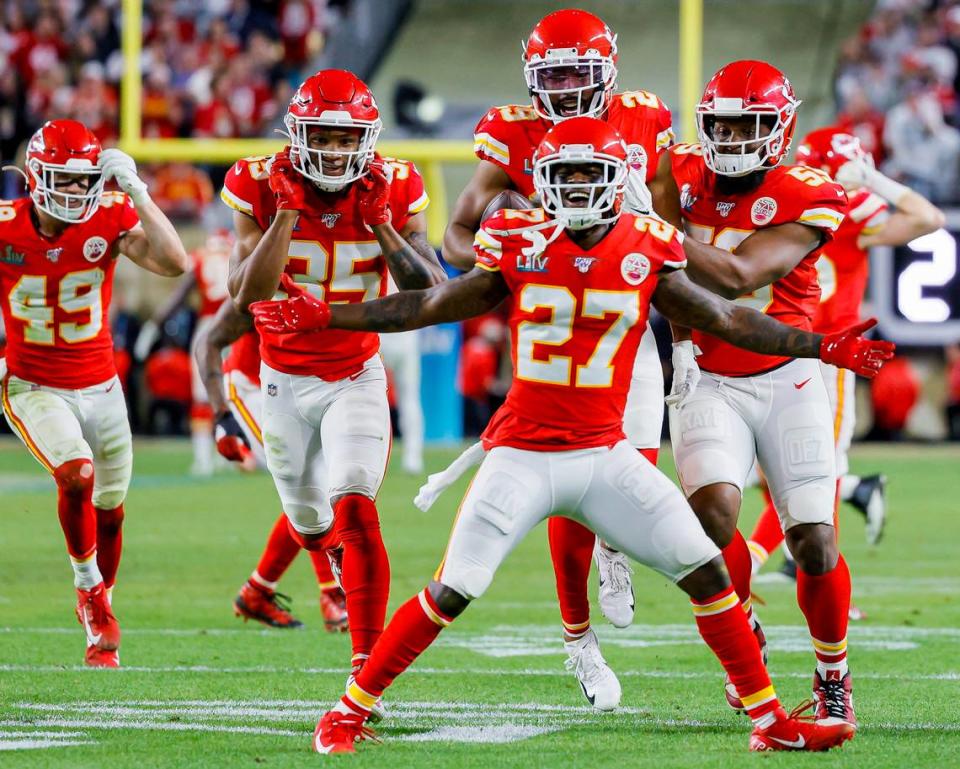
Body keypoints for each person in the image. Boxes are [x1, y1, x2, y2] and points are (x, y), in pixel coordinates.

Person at [251, 116, 891, 754]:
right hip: (523, 454)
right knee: (452, 588)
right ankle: (348, 710)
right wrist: (329, 313)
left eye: (593, 174)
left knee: (706, 572)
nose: (579, 188)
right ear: (543, 183)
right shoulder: (519, 242)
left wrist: (820, 346)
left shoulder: (647, 245)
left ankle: (770, 720)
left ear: (622, 181)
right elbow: (429, 305)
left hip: (606, 454)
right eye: (564, 175)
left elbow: (727, 316)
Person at [441, 8, 678, 707]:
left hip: (624, 324)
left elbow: (675, 233)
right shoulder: (513, 130)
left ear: (609, 72)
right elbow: (457, 233)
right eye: (555, 75)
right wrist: (503, 247)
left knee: (637, 465)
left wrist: (653, 225)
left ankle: (615, 552)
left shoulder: (642, 120)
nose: (568, 88)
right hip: (558, 336)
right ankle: (578, 639)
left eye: (580, 73)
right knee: (575, 477)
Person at [224, 69, 445, 699]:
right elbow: (247, 295)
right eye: (321, 135)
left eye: (347, 139)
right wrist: (287, 214)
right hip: (282, 378)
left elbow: (430, 292)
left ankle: (364, 671)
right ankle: (312, 583)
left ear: (368, 140)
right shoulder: (258, 181)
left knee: (355, 502)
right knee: (311, 524)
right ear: (296, 133)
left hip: (355, 373)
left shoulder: (397, 183)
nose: (334, 151)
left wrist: (382, 226)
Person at [647, 60, 857, 725]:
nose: (733, 138)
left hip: (787, 376)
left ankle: (832, 672)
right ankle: (743, 635)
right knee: (710, 517)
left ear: (781, 127)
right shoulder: (677, 173)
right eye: (723, 125)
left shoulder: (809, 192)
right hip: (704, 371)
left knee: (815, 540)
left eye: (750, 125)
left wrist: (651, 227)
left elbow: (738, 276)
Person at [0, 119, 188, 667]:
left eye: (86, 181)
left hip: (102, 386)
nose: (78, 192)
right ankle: (89, 592)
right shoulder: (7, 226)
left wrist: (136, 189)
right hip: (34, 384)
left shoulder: (109, 215)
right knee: (76, 472)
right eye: (65, 180)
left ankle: (101, 599)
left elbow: (174, 262)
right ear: (36, 178)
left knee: (110, 509)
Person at [747, 126, 944, 579]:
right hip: (813, 349)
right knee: (808, 464)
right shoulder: (849, 207)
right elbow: (926, 217)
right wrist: (874, 181)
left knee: (800, 463)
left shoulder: (784, 199)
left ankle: (782, 565)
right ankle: (804, 557)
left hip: (788, 344)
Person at [193, 300, 348, 631]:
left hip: (304, 387)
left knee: (325, 487)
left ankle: (258, 591)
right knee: (312, 488)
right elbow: (217, 333)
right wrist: (221, 416)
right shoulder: (273, 263)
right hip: (256, 387)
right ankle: (332, 593)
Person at [135, 228, 234, 476]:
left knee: (203, 395)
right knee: (235, 393)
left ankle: (204, 460)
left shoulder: (201, 258)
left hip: (208, 328)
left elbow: (178, 298)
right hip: (237, 325)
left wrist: (152, 327)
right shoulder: (237, 255)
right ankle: (233, 455)